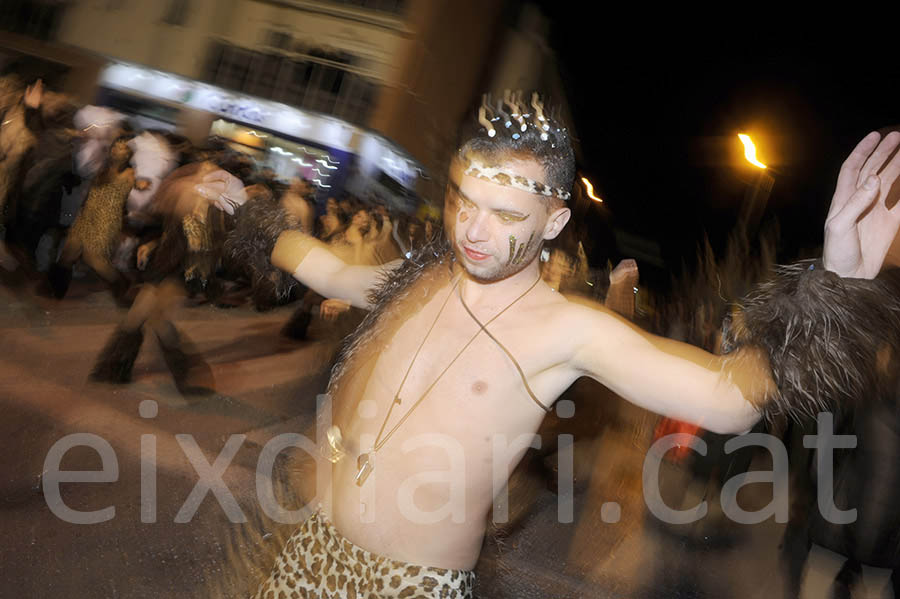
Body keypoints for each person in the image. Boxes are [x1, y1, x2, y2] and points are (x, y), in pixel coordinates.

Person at [256, 92, 900, 598]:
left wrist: (836, 286)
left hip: (412, 586)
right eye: (465, 203)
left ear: (553, 221)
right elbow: (331, 270)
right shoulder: (418, 279)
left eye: (506, 215)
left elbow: (727, 399)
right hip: (310, 549)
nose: (473, 231)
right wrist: (245, 216)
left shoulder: (567, 329)